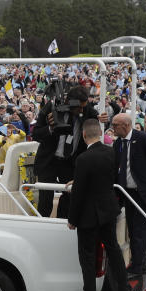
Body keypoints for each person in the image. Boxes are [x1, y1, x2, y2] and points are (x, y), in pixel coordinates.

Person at [66, 119, 131, 291]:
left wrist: (72, 218)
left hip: (88, 214)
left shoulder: (84, 159)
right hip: (108, 209)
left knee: (87, 257)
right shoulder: (110, 152)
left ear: (84, 135)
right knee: (114, 250)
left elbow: (78, 193)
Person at [111, 112, 146, 277]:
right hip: (127, 193)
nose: (112, 128)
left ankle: (138, 266)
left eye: (115, 125)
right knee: (134, 229)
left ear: (126, 125)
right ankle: (139, 262)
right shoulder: (118, 143)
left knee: (141, 230)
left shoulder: (144, 139)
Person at [33, 85, 98, 218]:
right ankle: (42, 227)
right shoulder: (51, 107)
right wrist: (50, 128)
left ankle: (64, 227)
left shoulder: (87, 110)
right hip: (48, 161)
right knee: (45, 199)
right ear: (69, 102)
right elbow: (36, 134)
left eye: (83, 107)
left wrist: (102, 119)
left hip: (70, 163)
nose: (81, 110)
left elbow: (97, 121)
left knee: (70, 196)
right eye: (79, 107)